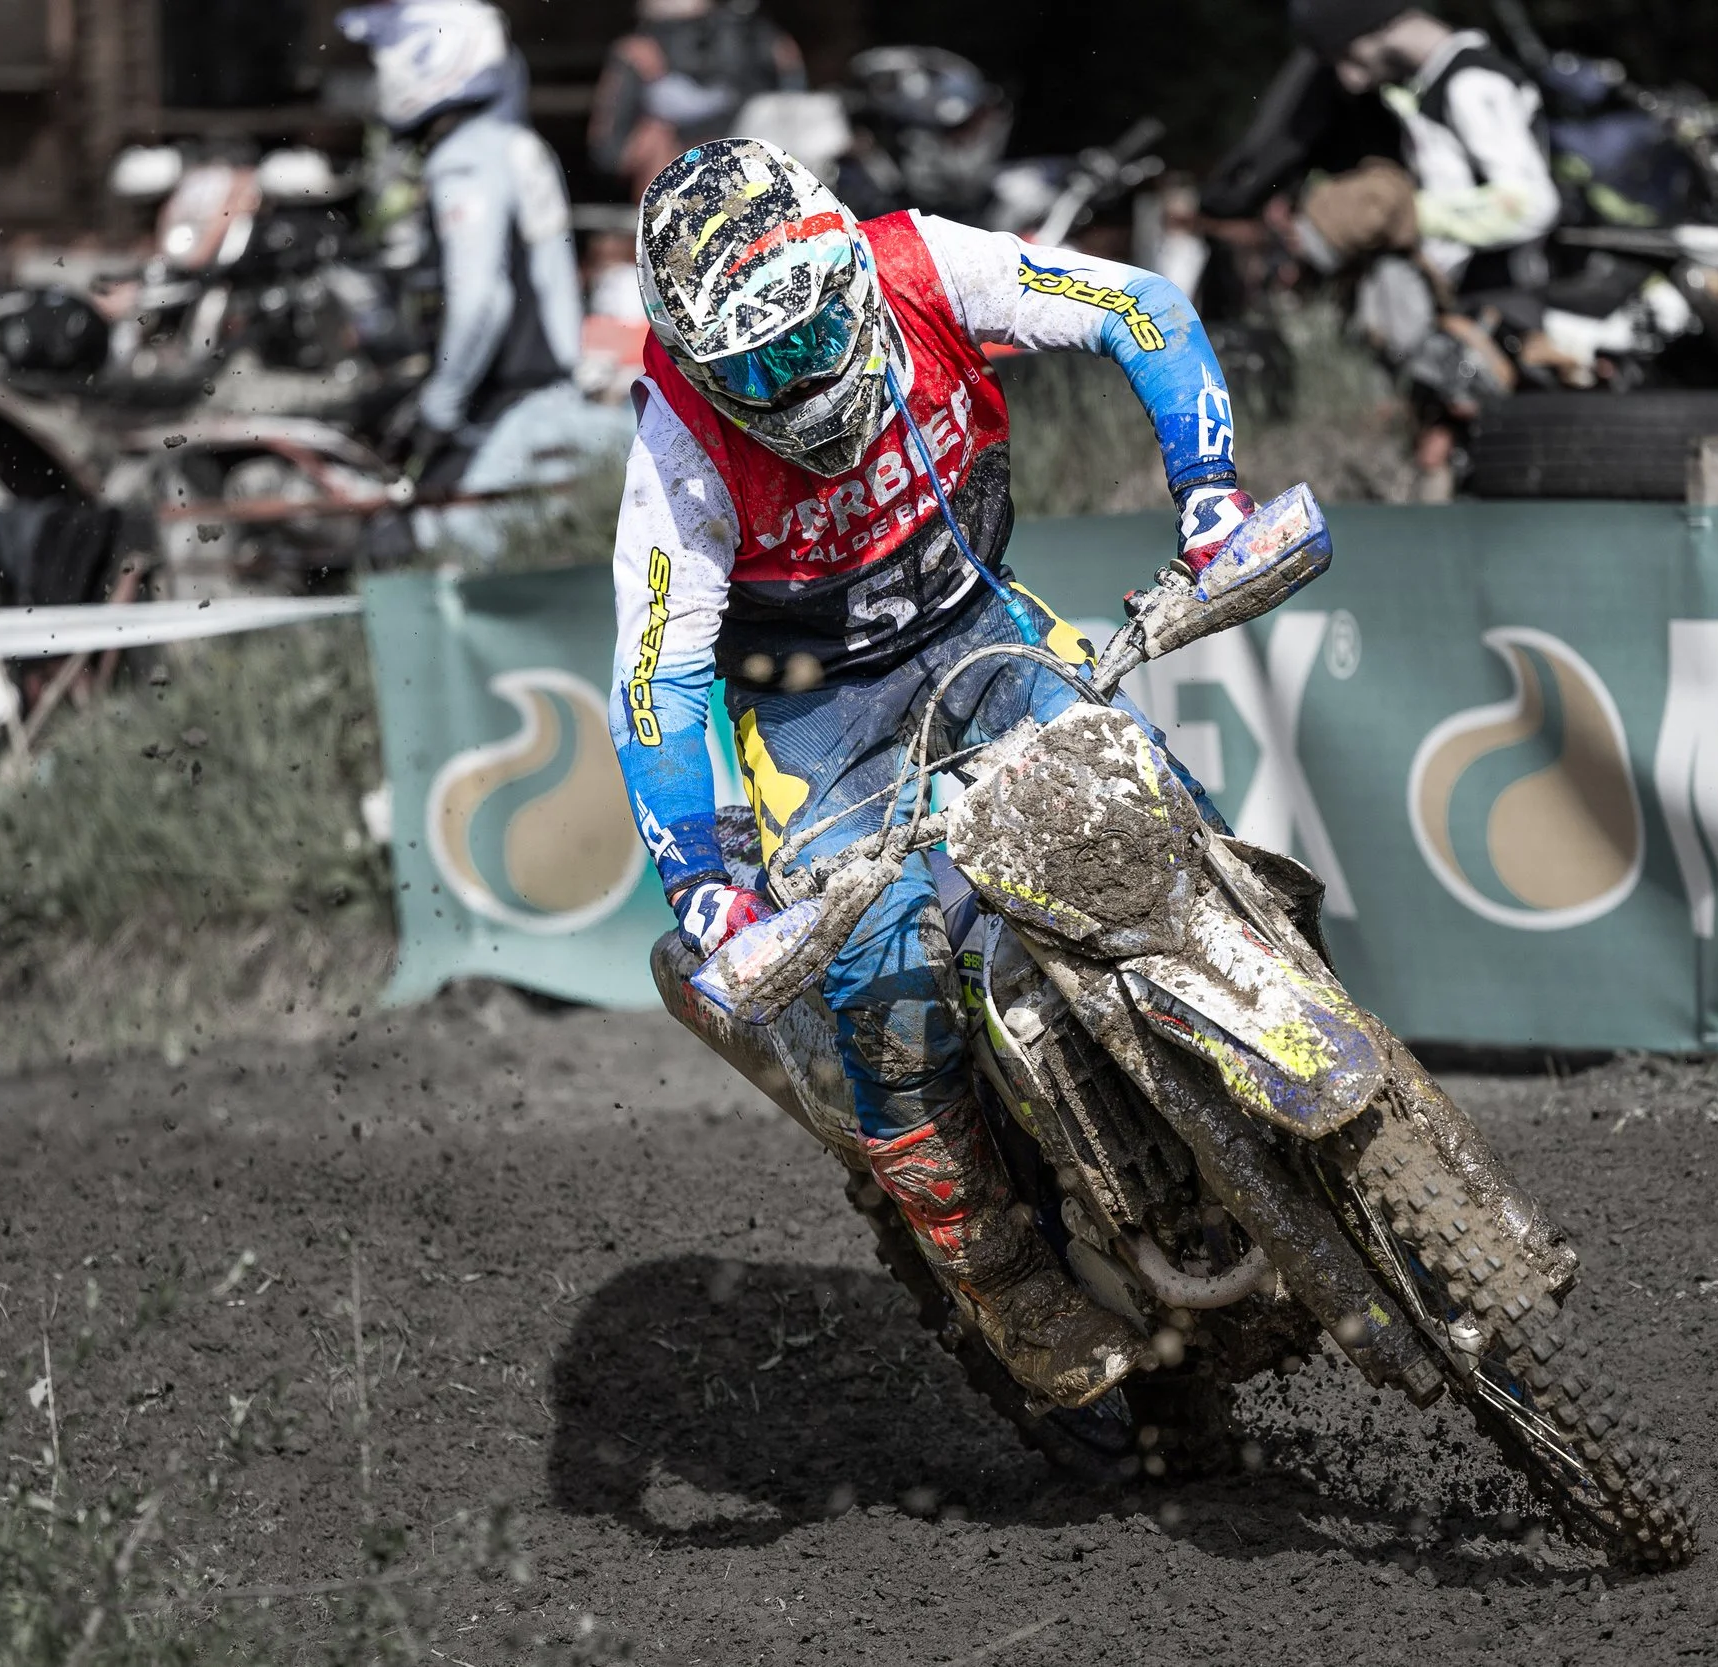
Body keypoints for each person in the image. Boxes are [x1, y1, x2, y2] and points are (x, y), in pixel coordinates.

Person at [609, 138, 1257, 1408]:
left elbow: (1141, 304)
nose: (796, 387)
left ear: (849, 274)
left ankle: (1277, 1031)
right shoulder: (680, 445)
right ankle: (999, 1268)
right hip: (818, 722)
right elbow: (655, 680)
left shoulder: (923, 263)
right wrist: (702, 882)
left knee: (1165, 809)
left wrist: (1210, 500)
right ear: (700, 369)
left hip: (982, 629)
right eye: (757, 370)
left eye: (808, 342)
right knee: (880, 966)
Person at [338, 0, 627, 561]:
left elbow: (480, 303)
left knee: (402, 551)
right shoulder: (509, 142)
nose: (382, 73)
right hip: (545, 408)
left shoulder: (466, 157)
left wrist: (437, 411)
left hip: (510, 416)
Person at [1275, 0, 1557, 494]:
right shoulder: (1429, 87)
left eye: (1342, 54)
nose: (1347, 79)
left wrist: (1408, 216)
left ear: (1365, 25)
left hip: (1501, 317)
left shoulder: (1470, 84)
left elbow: (1531, 204)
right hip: (1464, 324)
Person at [586, 0, 805, 200]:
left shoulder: (757, 39)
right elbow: (607, 150)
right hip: (666, 172)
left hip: (740, 164)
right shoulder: (636, 52)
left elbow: (792, 107)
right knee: (658, 138)